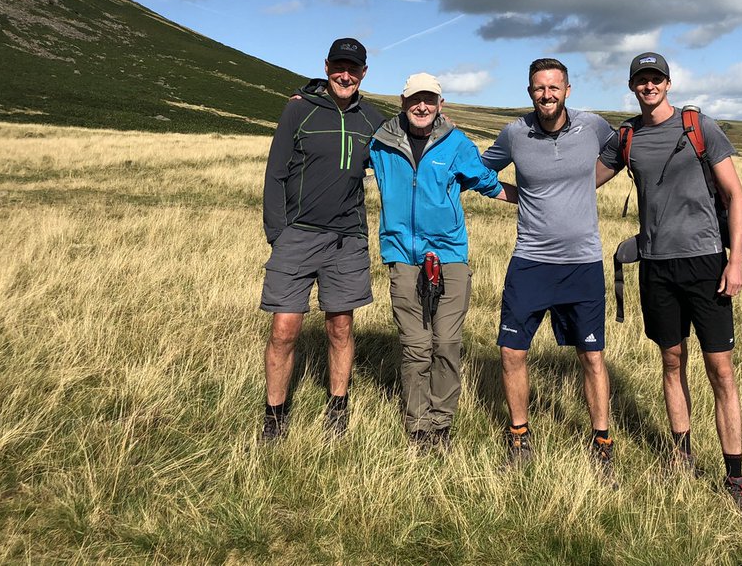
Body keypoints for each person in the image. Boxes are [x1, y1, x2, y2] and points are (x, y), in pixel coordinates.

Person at [596, 52, 742, 526]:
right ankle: (681, 454)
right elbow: (585, 180)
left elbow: (734, 194)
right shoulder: (627, 137)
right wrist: (536, 185)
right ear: (632, 86)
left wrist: (733, 263)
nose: (648, 86)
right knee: (672, 361)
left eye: (655, 79)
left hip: (706, 264)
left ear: (667, 83)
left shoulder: (698, 126)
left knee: (720, 371)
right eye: (640, 80)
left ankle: (734, 477)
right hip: (656, 267)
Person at [481, 58, 618, 473]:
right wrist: (517, 195)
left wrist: (586, 183)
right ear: (529, 92)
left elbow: (619, 151)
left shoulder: (592, 126)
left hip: (583, 263)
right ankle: (520, 439)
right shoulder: (514, 133)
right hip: (531, 260)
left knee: (592, 356)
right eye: (539, 88)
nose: (547, 94)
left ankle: (602, 443)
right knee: (510, 351)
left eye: (554, 87)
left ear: (568, 90)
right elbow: (479, 172)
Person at [370, 73, 512, 452]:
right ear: (403, 103)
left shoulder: (456, 143)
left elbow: (486, 181)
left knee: (446, 343)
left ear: (440, 104)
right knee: (415, 345)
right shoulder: (381, 142)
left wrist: (537, 197)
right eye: (415, 99)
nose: (422, 106)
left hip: (449, 257)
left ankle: (441, 424)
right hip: (403, 256)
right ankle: (418, 426)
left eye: (429, 100)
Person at [259, 37, 384, 442]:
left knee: (341, 327)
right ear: (327, 66)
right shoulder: (299, 109)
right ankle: (274, 416)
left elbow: (407, 149)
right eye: (338, 67)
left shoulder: (374, 120)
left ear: (364, 73)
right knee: (284, 328)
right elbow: (275, 173)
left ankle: (337, 408)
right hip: (297, 236)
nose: (344, 75)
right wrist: (279, 234)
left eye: (353, 69)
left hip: (347, 239)